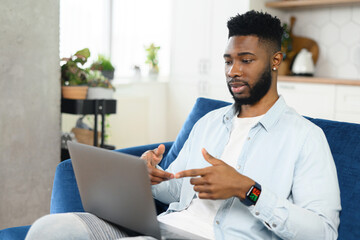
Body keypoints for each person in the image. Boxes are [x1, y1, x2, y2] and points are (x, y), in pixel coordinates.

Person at [26, 10, 341, 240]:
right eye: (228, 60)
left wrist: (248, 189)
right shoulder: (210, 123)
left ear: (275, 61)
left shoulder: (306, 138)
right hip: (164, 228)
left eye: (246, 60)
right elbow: (176, 187)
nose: (233, 70)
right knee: (49, 229)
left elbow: (324, 233)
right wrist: (148, 176)